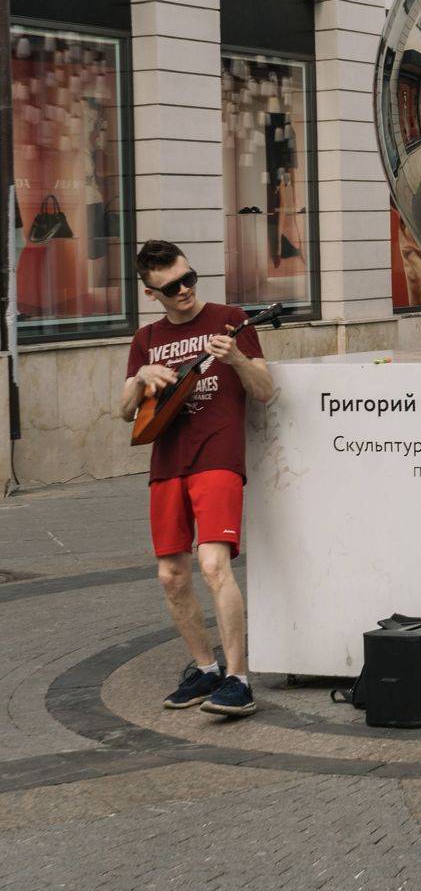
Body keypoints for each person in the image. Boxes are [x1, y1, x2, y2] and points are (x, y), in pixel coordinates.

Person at [120, 241, 274, 717]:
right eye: (171, 287)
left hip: (217, 455)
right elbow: (124, 411)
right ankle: (206, 669)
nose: (184, 290)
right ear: (151, 293)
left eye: (188, 278)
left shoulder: (231, 319)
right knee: (170, 575)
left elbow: (265, 390)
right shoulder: (146, 338)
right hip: (167, 461)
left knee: (212, 564)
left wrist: (237, 360)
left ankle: (239, 679)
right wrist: (141, 377)